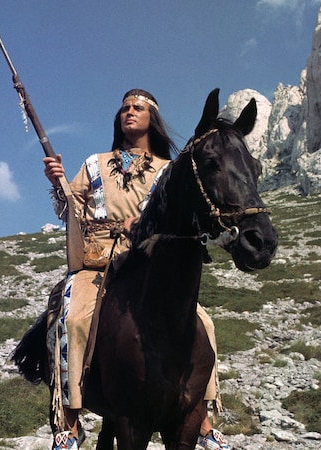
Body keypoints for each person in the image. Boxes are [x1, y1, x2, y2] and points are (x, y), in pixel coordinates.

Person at [44, 89, 228, 450]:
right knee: (73, 317)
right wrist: (59, 184)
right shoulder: (95, 164)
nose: (129, 112)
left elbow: (180, 214)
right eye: (125, 107)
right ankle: (69, 421)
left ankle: (204, 418)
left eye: (138, 107)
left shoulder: (169, 170)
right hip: (98, 262)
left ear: (152, 118)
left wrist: (143, 223)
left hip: (147, 262)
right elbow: (70, 211)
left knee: (202, 323)